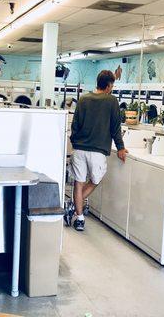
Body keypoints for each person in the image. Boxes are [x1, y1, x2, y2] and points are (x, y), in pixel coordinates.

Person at [69, 70, 128, 232]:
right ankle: (76, 209)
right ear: (109, 85)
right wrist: (121, 147)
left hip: (79, 149)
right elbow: (116, 127)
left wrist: (75, 142)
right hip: (98, 151)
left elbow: (75, 124)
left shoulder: (84, 99)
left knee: (78, 184)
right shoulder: (111, 101)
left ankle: (79, 217)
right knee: (95, 181)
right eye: (112, 85)